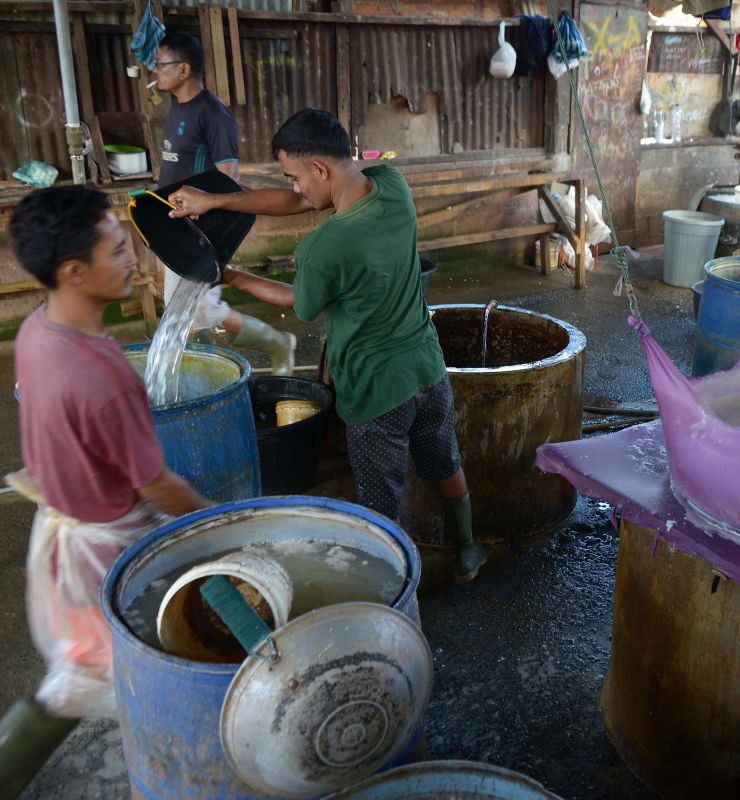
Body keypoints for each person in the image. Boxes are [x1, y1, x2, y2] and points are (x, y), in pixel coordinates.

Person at [169, 108, 487, 582]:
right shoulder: (392, 187)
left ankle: (396, 587)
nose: (294, 188)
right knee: (443, 461)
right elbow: (296, 202)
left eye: (294, 176)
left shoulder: (324, 248)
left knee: (380, 502)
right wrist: (214, 202)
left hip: (375, 389)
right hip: (426, 367)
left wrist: (232, 274)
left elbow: (298, 302)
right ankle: (468, 550)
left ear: (320, 169)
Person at [0, 186, 213, 797]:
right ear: (73, 271)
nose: (133, 260)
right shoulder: (103, 376)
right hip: (105, 550)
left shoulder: (37, 333)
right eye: (117, 250)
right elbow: (155, 484)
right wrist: (218, 524)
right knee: (148, 672)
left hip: (62, 529)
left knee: (81, 670)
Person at [153, 30, 295, 375]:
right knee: (193, 307)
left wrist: (209, 226)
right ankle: (272, 343)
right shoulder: (177, 107)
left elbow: (228, 176)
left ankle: (267, 346)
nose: (153, 72)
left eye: (159, 65)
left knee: (190, 309)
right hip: (171, 221)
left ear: (183, 70)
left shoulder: (213, 114)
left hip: (196, 227)